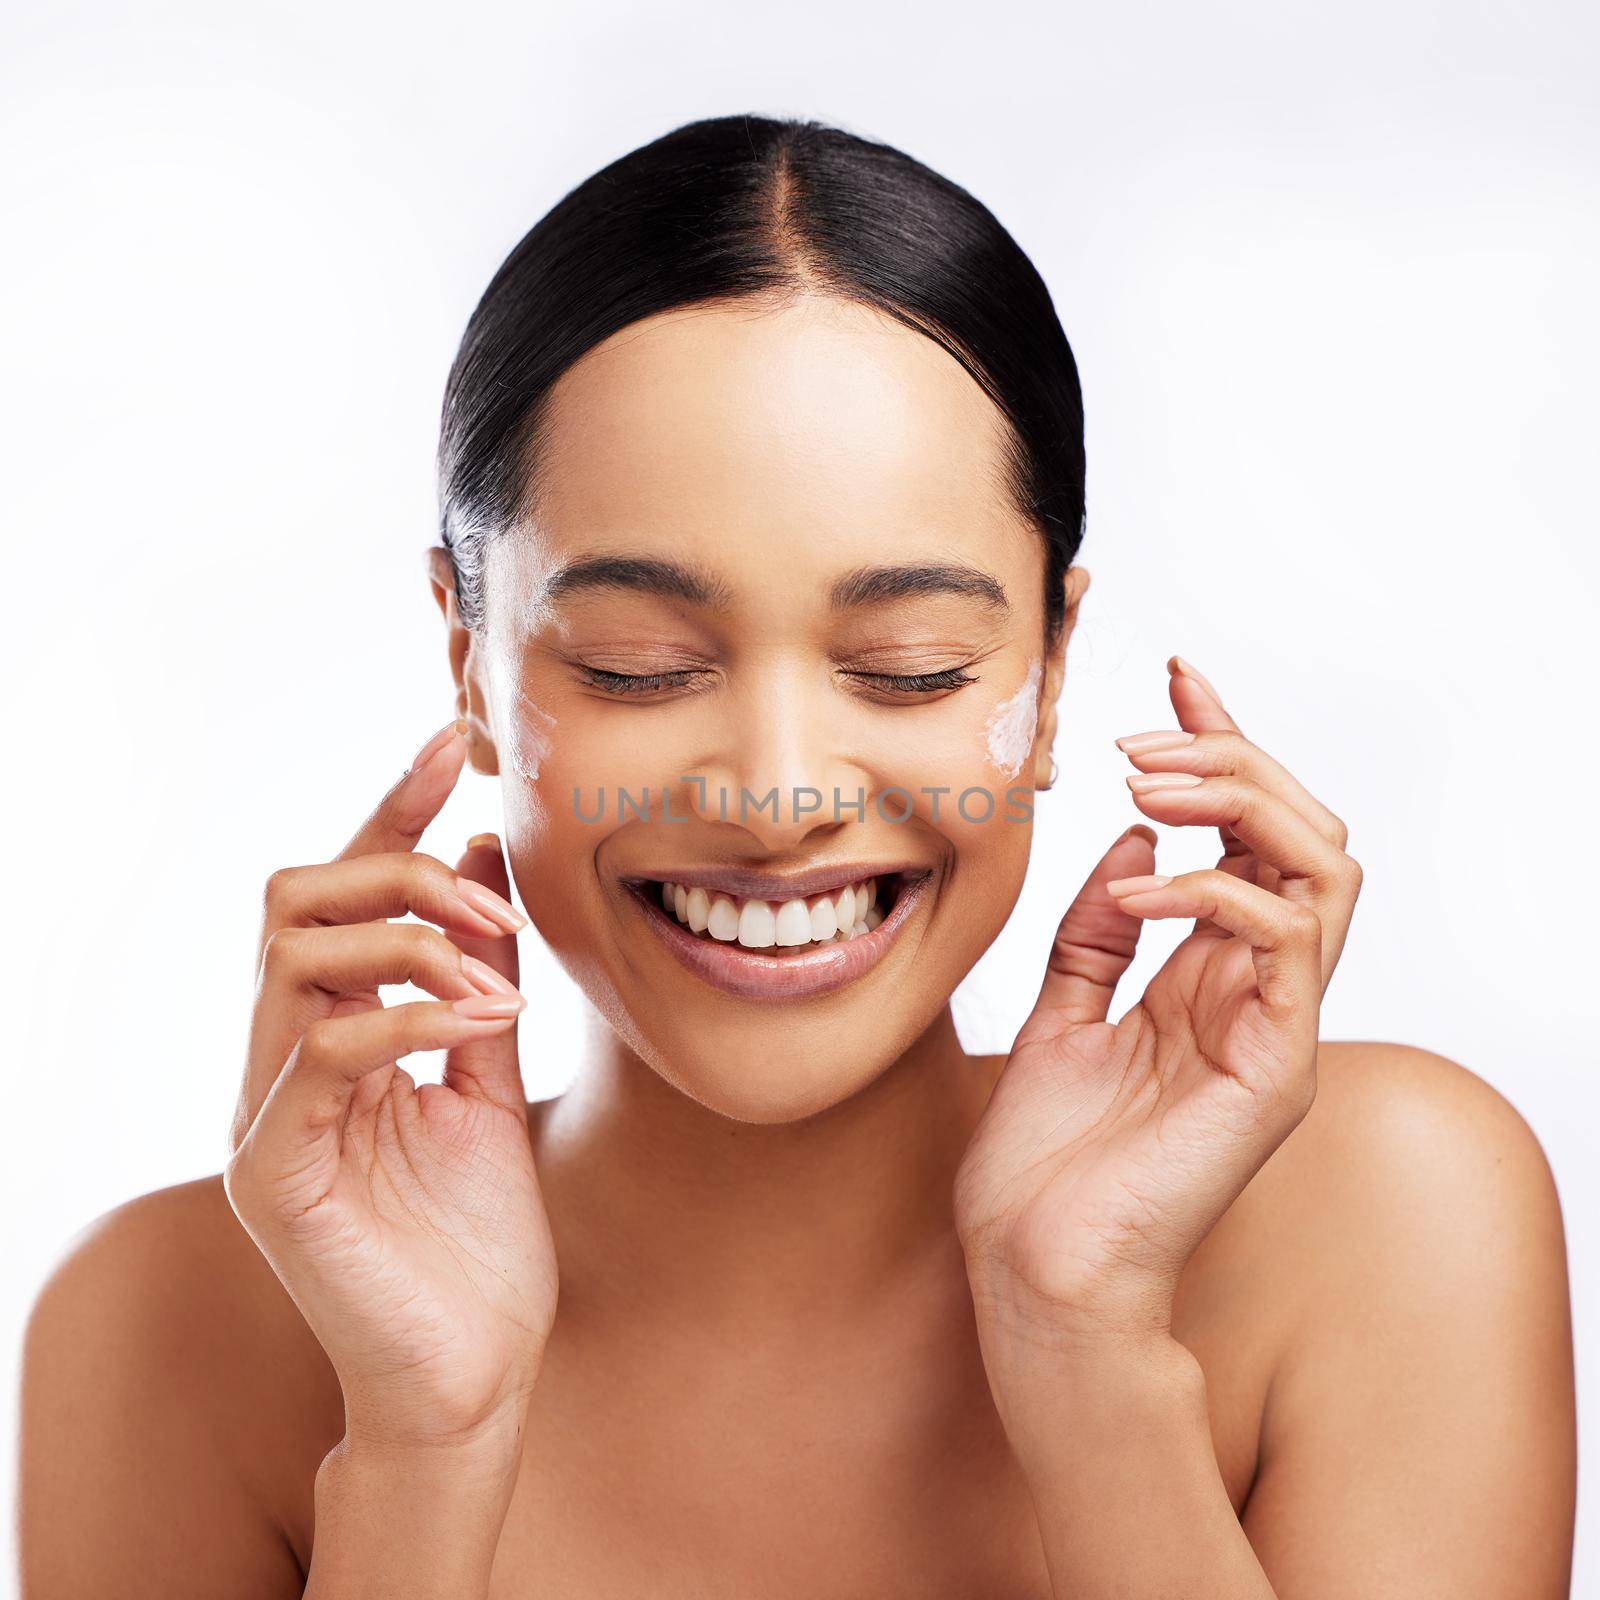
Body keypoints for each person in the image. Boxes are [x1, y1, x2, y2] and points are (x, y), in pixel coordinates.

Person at [17, 113, 1576, 1598]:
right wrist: (425, 1448)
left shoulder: (1386, 1213)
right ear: (468, 664)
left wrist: (1091, 1355)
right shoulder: (171, 1330)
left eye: (908, 667)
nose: (777, 800)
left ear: (1047, 674)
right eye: (634, 664)